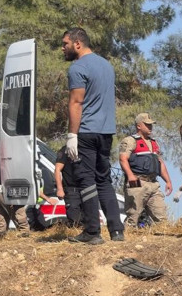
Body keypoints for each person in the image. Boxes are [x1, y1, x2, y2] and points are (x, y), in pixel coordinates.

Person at [60, 27, 125, 244]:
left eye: (65, 44)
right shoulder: (106, 65)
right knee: (103, 180)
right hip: (106, 132)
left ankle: (92, 232)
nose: (63, 48)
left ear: (78, 43)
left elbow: (76, 102)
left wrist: (72, 135)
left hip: (86, 132)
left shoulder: (78, 67)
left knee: (85, 179)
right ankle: (117, 231)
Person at [118, 113, 173, 226]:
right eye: (147, 124)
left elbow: (160, 162)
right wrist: (130, 176)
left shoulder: (154, 142)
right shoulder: (130, 141)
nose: (150, 127)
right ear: (139, 126)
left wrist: (168, 181)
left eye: (151, 125)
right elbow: (123, 159)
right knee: (133, 216)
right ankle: (127, 234)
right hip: (137, 181)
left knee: (162, 219)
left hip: (153, 183)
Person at [54, 144, 83, 227]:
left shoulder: (88, 148)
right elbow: (57, 169)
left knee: (88, 219)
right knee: (74, 220)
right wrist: (60, 189)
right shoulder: (66, 149)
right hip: (71, 189)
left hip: (86, 187)